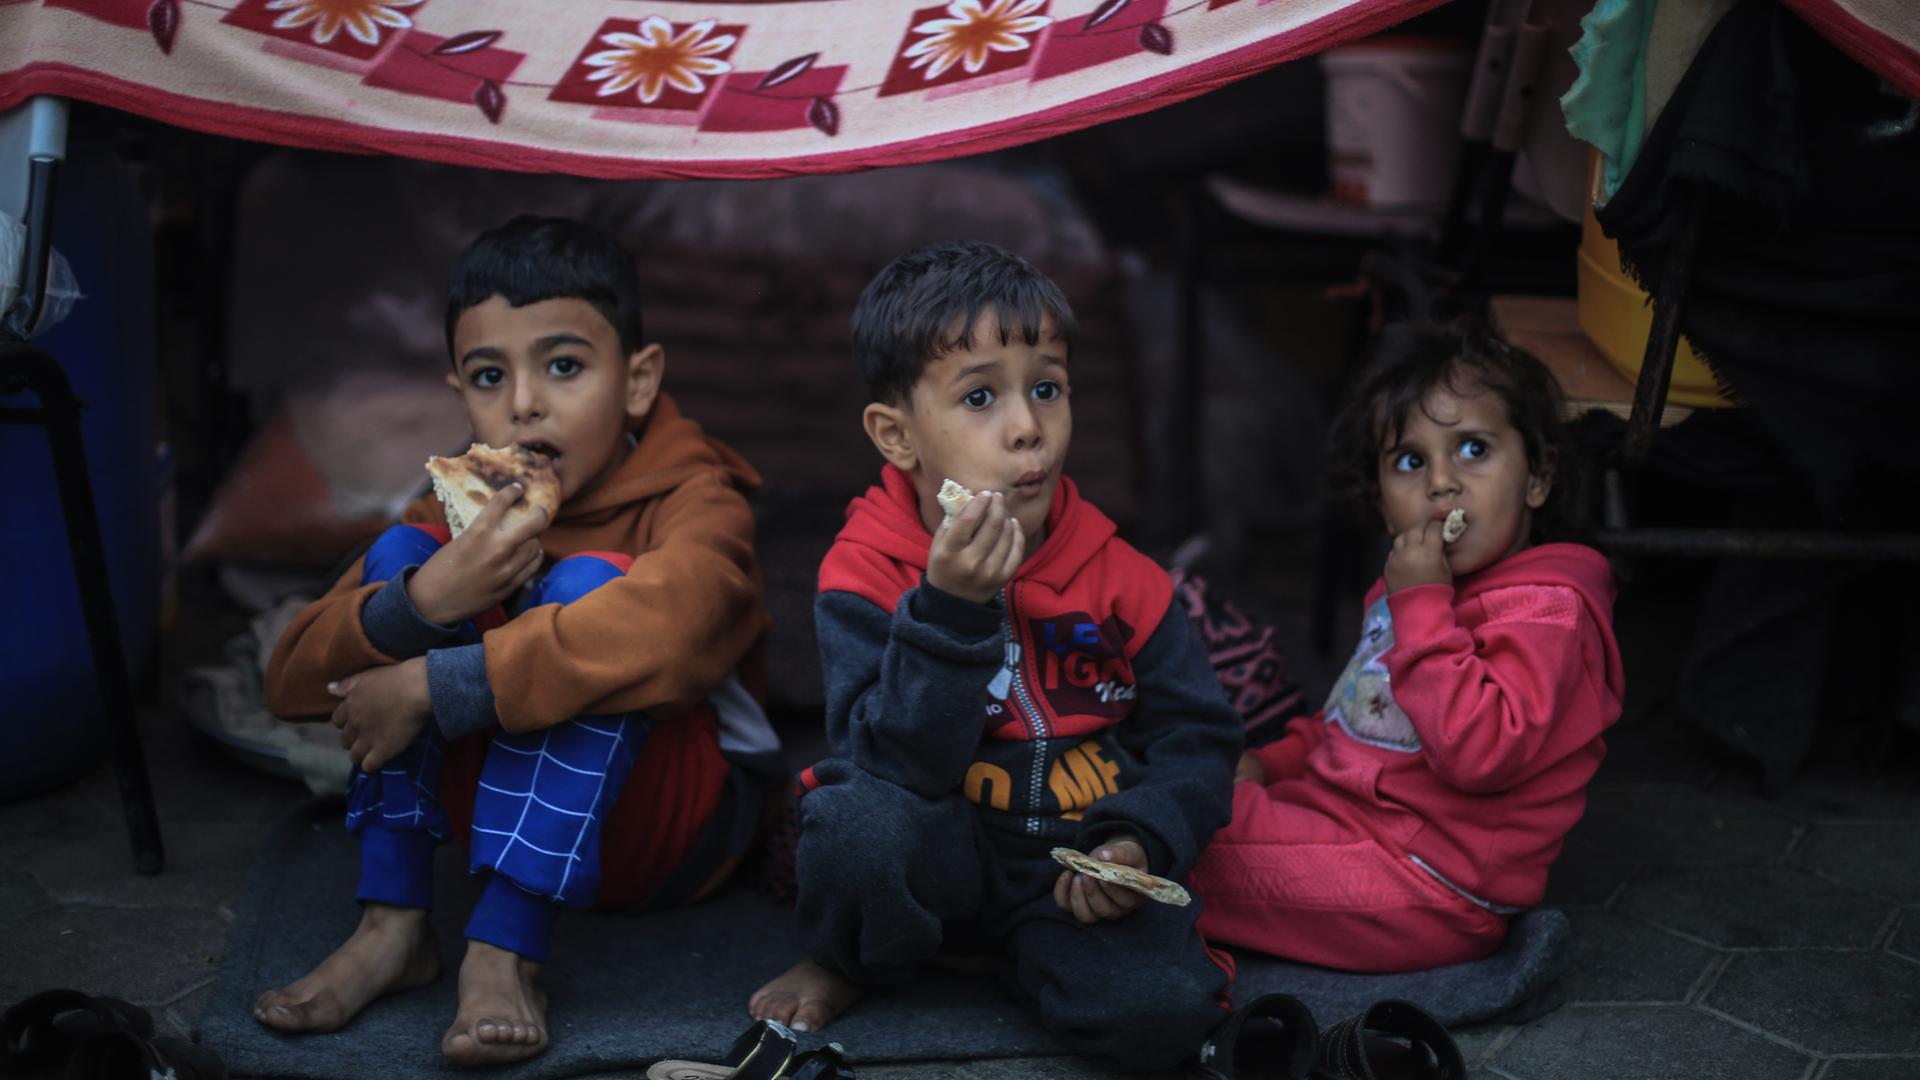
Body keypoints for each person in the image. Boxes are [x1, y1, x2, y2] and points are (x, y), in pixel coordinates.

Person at [255, 215, 778, 1065]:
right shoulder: (460, 506)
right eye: (490, 375)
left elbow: (675, 640)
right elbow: (290, 683)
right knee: (406, 557)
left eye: (564, 366)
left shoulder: (698, 499)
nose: (525, 403)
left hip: (668, 834)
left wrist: (431, 684)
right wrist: (427, 602)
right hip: (495, 821)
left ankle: (505, 951)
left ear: (638, 381)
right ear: (459, 395)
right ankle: (391, 925)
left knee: (589, 590)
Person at [745, 240, 1243, 1071]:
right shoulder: (866, 573)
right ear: (897, 436)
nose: (1028, 428)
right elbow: (884, 764)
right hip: (937, 851)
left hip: (1069, 869)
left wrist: (1138, 843)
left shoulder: (1125, 578)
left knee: (1165, 1016)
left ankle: (1019, 957)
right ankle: (853, 957)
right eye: (980, 397)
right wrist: (948, 611)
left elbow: (1199, 741)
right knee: (851, 824)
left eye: (1047, 388)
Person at [1188, 322, 1623, 972]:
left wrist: (1421, 605)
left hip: (1427, 886)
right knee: (1193, 791)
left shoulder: (1545, 613)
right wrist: (1271, 763)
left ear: (1538, 476)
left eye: (1473, 449)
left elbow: (1480, 754)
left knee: (1179, 834)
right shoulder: (1410, 587)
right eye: (1410, 462)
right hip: (1349, 832)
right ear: (1383, 503)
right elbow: (1353, 718)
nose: (1441, 483)